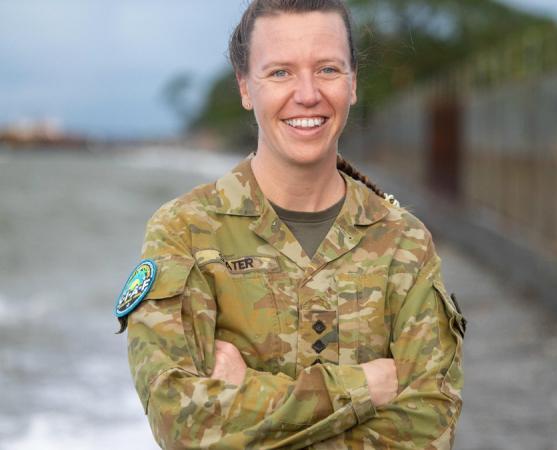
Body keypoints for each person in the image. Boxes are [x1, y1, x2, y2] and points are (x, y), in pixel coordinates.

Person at [115, 0, 465, 448]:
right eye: (280, 72)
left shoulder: (403, 241)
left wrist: (246, 399)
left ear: (353, 83)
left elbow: (429, 429)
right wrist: (364, 387)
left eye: (328, 70)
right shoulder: (184, 231)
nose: (307, 94)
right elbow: (182, 425)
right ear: (245, 87)